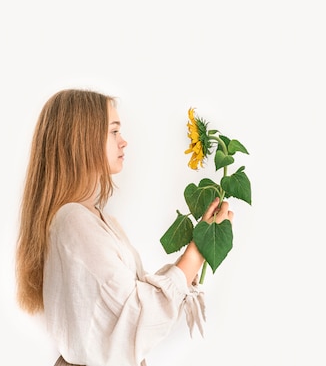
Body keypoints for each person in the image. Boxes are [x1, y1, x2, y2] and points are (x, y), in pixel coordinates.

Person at [15, 88, 234, 366]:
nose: (124, 142)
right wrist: (196, 254)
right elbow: (135, 317)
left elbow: (135, 299)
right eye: (113, 132)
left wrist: (195, 251)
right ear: (82, 139)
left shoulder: (95, 220)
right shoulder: (74, 222)